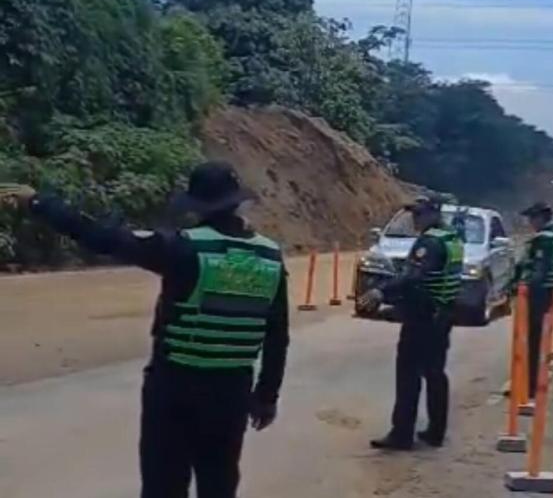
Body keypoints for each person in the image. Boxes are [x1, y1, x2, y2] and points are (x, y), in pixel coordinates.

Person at [5, 162, 289, 498]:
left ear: (196, 205)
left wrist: (40, 204)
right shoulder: (270, 255)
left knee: (163, 485)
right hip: (231, 393)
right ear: (236, 202)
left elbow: (104, 238)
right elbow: (277, 335)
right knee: (219, 483)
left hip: (174, 390)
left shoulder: (183, 248)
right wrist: (266, 397)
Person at [358, 196, 464, 450]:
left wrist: (380, 293)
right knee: (435, 372)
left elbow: (413, 277)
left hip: (423, 316)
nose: (415, 220)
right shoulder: (452, 237)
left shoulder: (430, 242)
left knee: (408, 374)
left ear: (433, 214)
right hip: (443, 313)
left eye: (419, 215)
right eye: (413, 215)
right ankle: (436, 431)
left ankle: (402, 433)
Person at [517, 202, 553, 402]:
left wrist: (522, 286)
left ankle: (529, 387)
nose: (530, 222)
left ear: (540, 218)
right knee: (537, 340)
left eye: (532, 218)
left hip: (537, 294)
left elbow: (538, 271)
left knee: (532, 341)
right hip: (548, 291)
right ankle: (531, 382)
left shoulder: (543, 241)